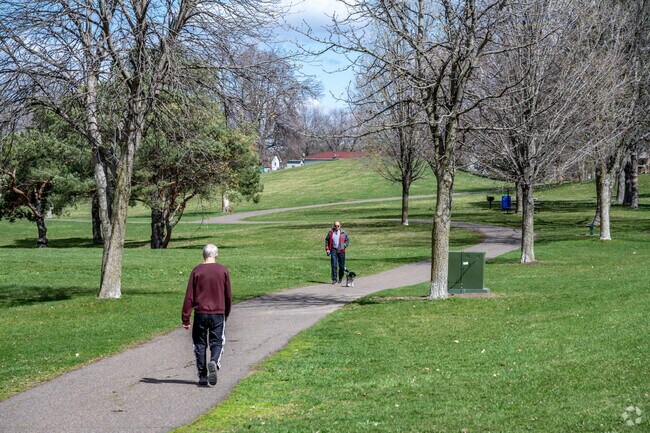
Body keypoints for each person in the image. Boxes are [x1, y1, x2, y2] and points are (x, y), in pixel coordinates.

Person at [182, 244, 232, 386]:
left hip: (201, 313)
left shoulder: (197, 271)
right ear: (216, 255)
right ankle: (214, 361)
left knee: (199, 343)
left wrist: (186, 317)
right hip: (217, 312)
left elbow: (189, 296)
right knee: (217, 341)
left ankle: (203, 376)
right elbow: (228, 295)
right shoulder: (223, 270)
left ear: (203, 255)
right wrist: (227, 312)